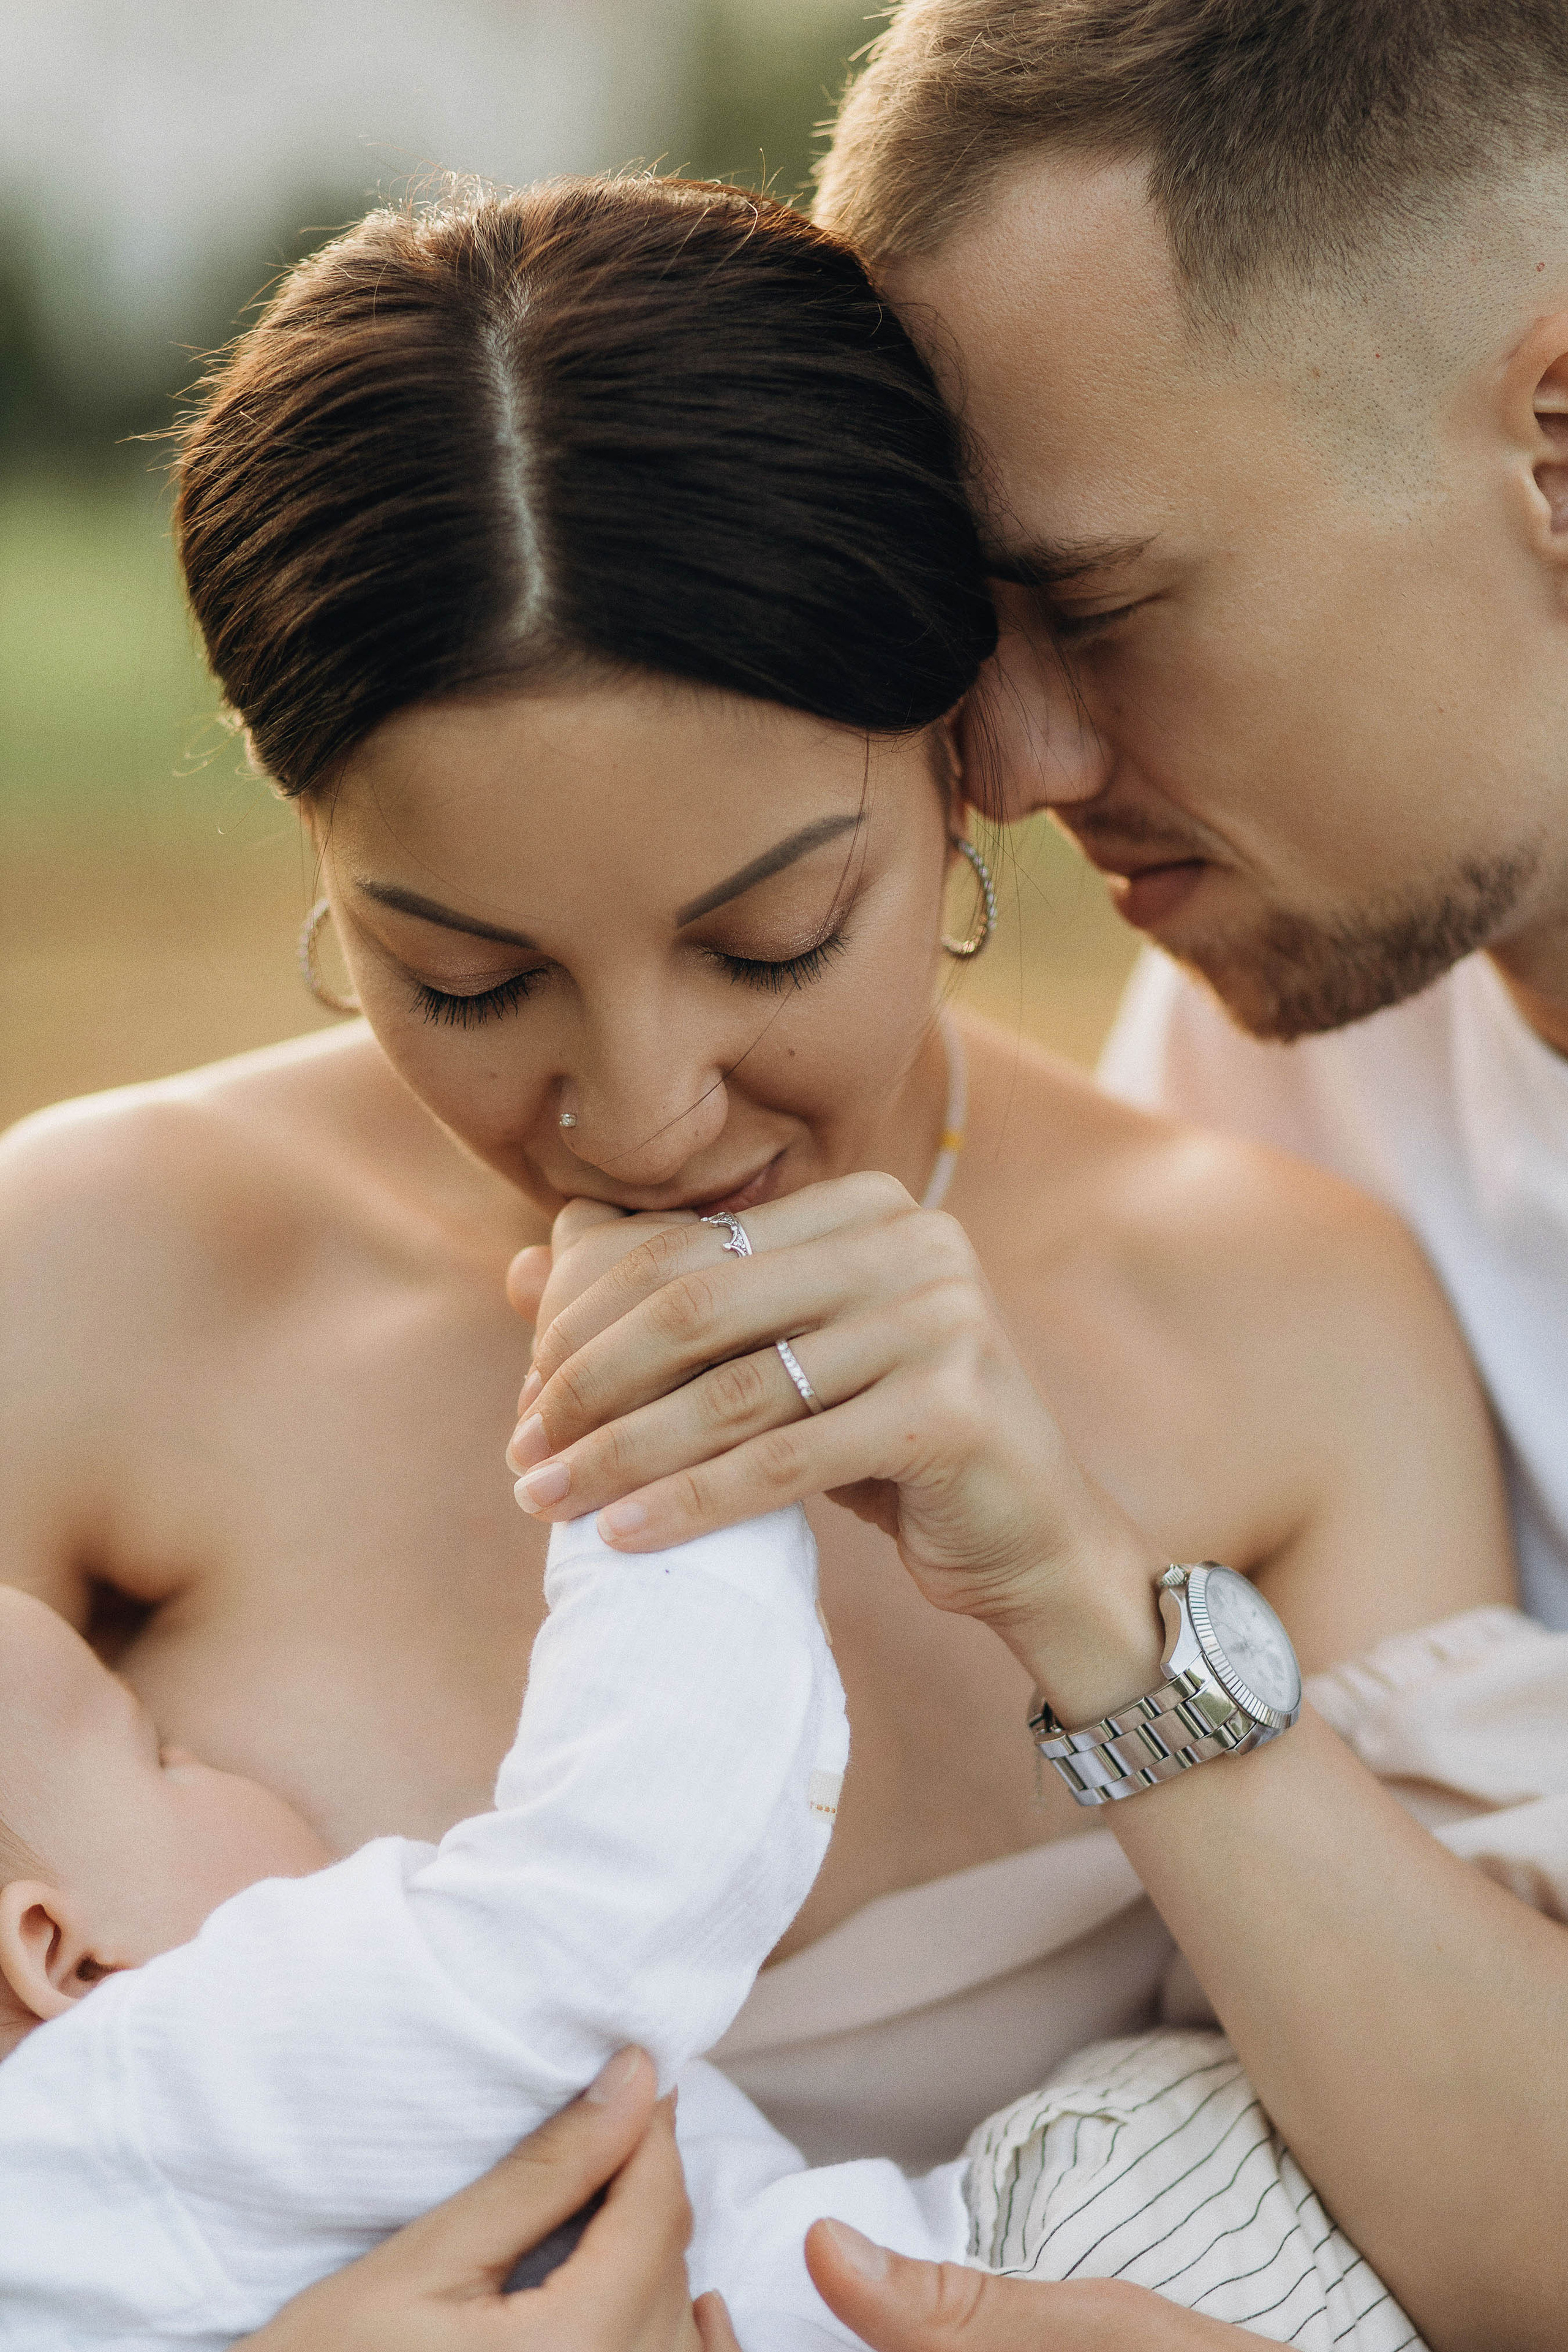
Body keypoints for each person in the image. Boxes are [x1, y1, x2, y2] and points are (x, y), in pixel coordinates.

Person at [0, 172, 1524, 2345]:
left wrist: (1087, 1602)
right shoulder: (91, 1279)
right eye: (467, 980)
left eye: (773, 940)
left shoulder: (1285, 1321)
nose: (641, 1116)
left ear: (967, 752)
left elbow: (1528, 2254)